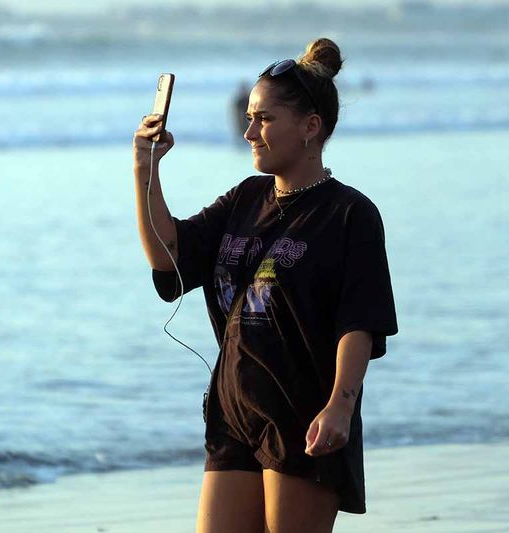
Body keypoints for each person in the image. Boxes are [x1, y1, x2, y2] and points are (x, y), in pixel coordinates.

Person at [133, 38, 397, 533]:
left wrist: (340, 407)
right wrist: (145, 169)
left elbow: (358, 322)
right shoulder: (244, 199)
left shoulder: (349, 215)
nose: (249, 130)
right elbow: (168, 254)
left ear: (310, 127)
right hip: (233, 414)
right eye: (250, 117)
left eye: (264, 119)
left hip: (303, 415)